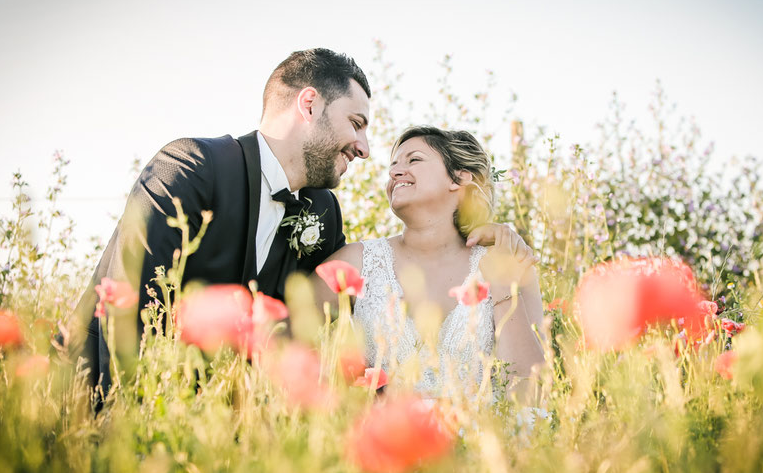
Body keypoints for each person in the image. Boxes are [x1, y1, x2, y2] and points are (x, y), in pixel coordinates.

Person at [66, 49, 534, 401]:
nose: (365, 149)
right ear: (309, 104)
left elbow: (315, 339)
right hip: (107, 400)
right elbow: (123, 307)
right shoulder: (191, 169)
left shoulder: (323, 213)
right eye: (356, 122)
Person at [312, 126, 545, 402]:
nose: (395, 172)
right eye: (394, 165)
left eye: (414, 160)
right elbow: (283, 336)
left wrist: (504, 286)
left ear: (459, 178)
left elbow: (530, 397)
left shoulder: (513, 263)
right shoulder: (355, 262)